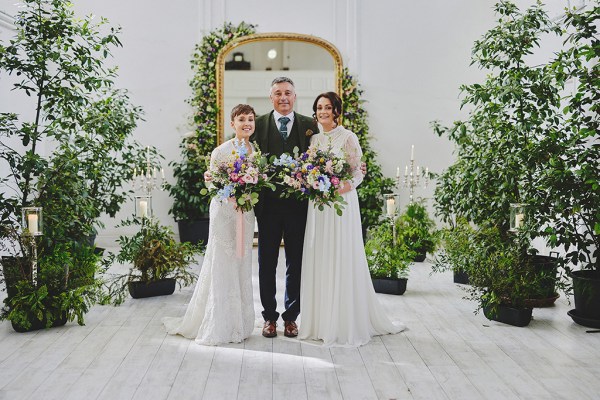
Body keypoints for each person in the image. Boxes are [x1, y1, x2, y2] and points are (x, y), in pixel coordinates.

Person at [298, 92, 405, 347]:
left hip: (341, 203)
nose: (323, 111)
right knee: (320, 254)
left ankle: (342, 322)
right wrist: (311, 182)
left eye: (327, 107)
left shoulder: (348, 137)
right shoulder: (313, 140)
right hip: (318, 206)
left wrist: (339, 188)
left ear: (336, 111)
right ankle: (319, 322)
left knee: (341, 254)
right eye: (319, 107)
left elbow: (357, 173)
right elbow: (309, 170)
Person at [162, 104, 257, 345]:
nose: (247, 123)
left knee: (242, 261)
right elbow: (214, 182)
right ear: (232, 123)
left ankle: (240, 323)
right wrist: (231, 196)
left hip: (245, 212)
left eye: (251, 119)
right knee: (223, 262)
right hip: (225, 211)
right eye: (242, 119)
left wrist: (245, 196)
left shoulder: (254, 150)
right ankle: (220, 323)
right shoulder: (221, 151)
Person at [251, 77, 319, 338]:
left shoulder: (308, 125)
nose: (283, 97)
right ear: (271, 98)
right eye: (278, 93)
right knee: (266, 262)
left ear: (295, 96)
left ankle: (291, 318)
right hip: (267, 208)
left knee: (296, 263)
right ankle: (269, 318)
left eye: (288, 93)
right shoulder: (257, 125)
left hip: (299, 207)